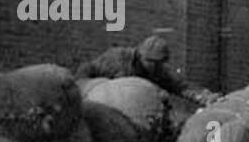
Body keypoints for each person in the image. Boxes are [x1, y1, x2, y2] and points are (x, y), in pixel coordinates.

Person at [76, 30, 219, 105]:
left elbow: (181, 87)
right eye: (153, 62)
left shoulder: (158, 71)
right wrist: (81, 88)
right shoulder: (117, 59)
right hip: (107, 104)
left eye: (160, 63)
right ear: (141, 55)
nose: (156, 67)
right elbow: (88, 68)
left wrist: (206, 97)